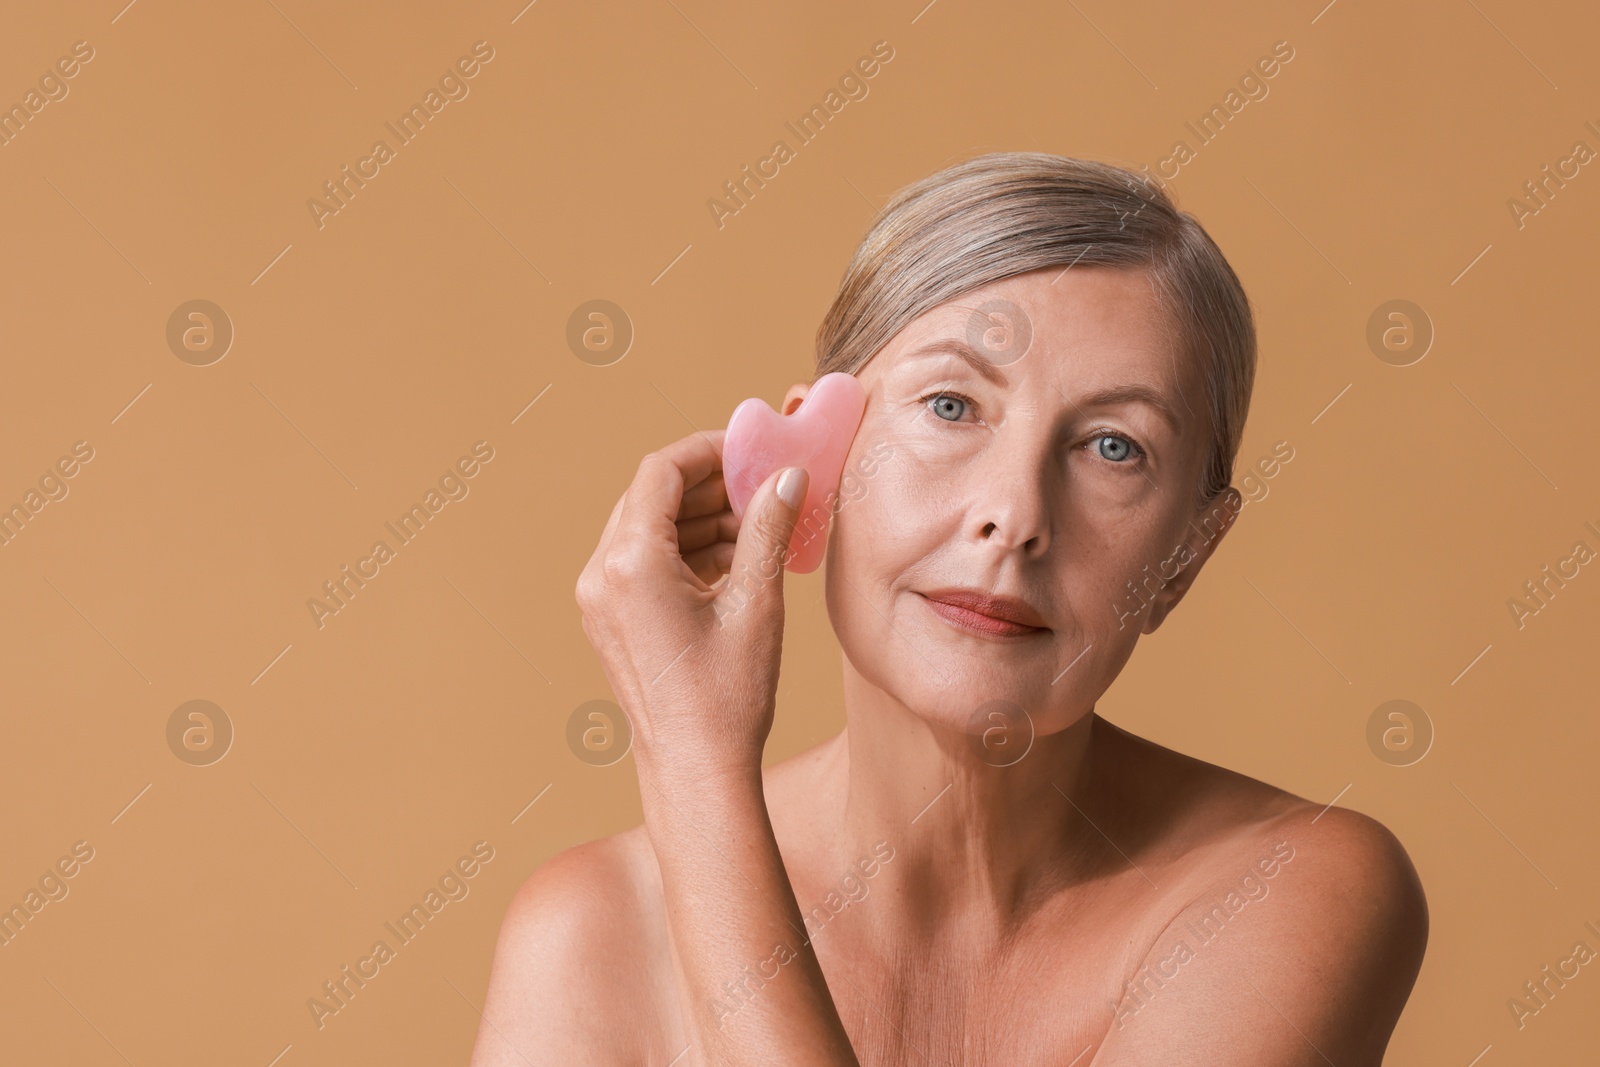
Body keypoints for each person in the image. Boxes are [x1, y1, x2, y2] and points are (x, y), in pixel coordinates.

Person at [469, 152, 1428, 1065]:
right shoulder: (590, 934)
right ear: (814, 465)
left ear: (1184, 558)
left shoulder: (1288, 887)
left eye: (1113, 447)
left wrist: (693, 767)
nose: (1014, 515)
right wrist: (699, 765)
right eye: (951, 406)